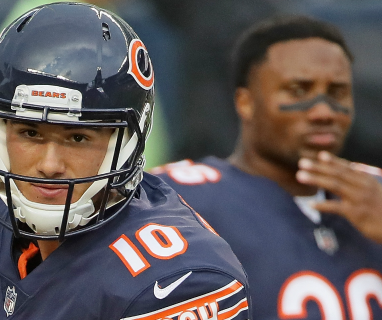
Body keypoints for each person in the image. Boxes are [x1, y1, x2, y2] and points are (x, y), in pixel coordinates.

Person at [0, 3, 251, 319]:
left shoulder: (177, 283)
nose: (49, 166)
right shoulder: (4, 204)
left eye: (77, 138)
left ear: (126, 144)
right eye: (30, 133)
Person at [152, 15, 382, 319]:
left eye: (337, 92)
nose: (324, 111)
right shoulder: (175, 200)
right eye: (299, 90)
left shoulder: (375, 190)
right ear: (245, 102)